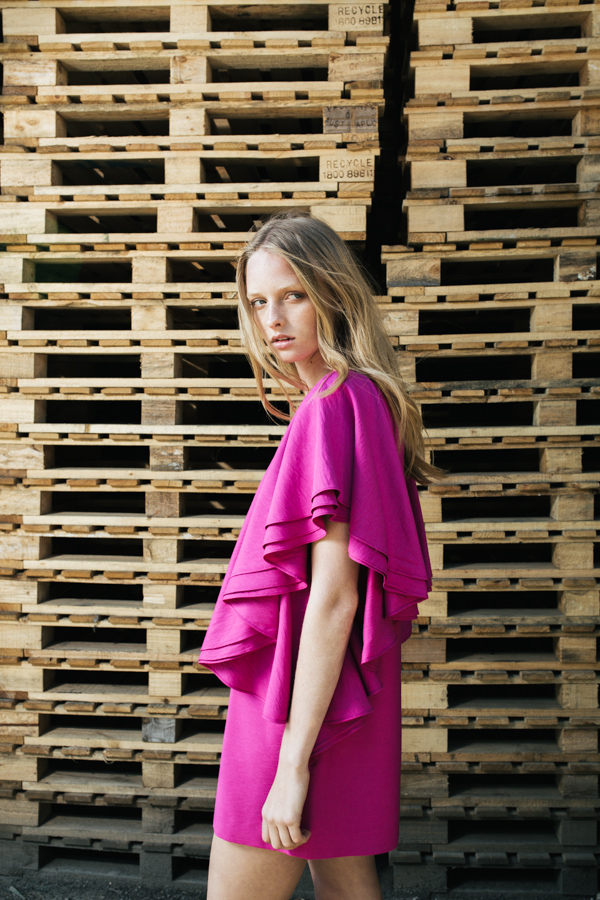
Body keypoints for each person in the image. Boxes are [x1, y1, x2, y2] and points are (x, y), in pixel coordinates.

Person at [198, 211, 439, 900]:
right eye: (258, 301)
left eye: (293, 294)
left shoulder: (334, 404)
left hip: (296, 712)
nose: (273, 319)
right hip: (332, 700)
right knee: (345, 886)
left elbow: (336, 597)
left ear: (333, 293)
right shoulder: (359, 398)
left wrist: (292, 763)